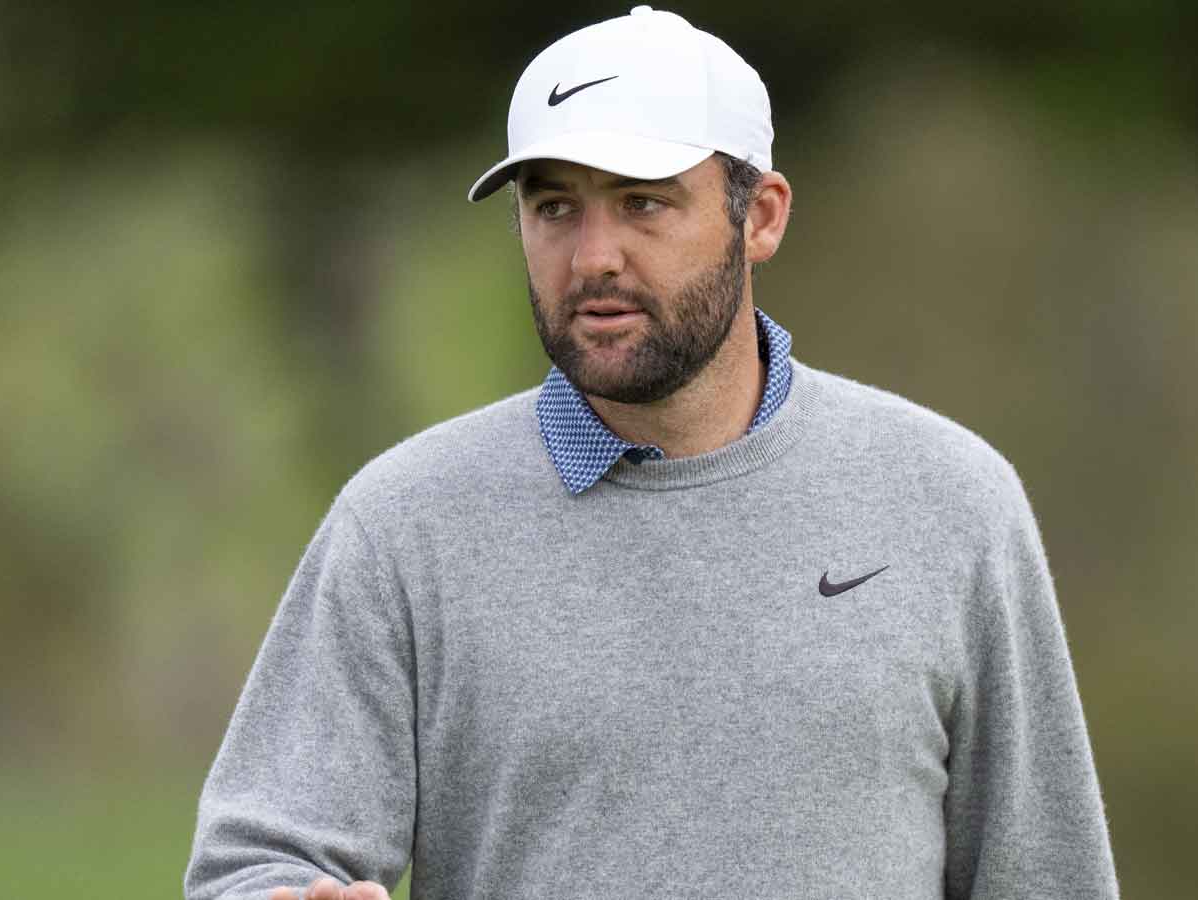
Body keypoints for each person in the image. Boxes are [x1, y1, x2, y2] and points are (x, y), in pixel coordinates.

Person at [185, 7, 1119, 899]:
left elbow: (1045, 873)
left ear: (761, 217)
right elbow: (260, 856)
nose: (593, 256)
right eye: (555, 207)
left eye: (642, 203)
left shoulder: (949, 502)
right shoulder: (403, 526)